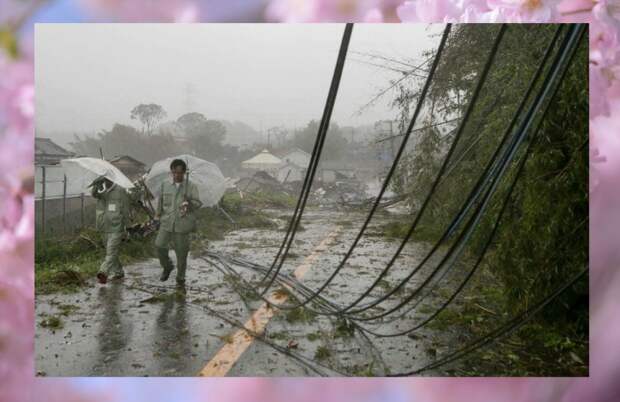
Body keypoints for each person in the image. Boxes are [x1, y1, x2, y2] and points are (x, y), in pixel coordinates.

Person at [155, 159, 202, 288]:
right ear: (171, 172)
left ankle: (180, 278)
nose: (177, 175)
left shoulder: (191, 186)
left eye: (180, 173)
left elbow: (198, 203)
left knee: (182, 253)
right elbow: (161, 202)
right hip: (167, 222)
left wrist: (190, 202)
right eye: (174, 172)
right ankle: (168, 266)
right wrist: (157, 216)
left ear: (184, 173)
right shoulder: (165, 185)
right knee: (159, 245)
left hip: (183, 224)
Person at [91, 177, 130, 284]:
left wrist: (128, 227)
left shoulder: (120, 190)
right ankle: (118, 272)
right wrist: (96, 185)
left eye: (108, 179)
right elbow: (94, 195)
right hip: (103, 226)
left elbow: (126, 209)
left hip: (117, 226)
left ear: (112, 178)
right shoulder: (103, 191)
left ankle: (103, 272)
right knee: (111, 252)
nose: (106, 181)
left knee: (111, 251)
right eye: (104, 180)